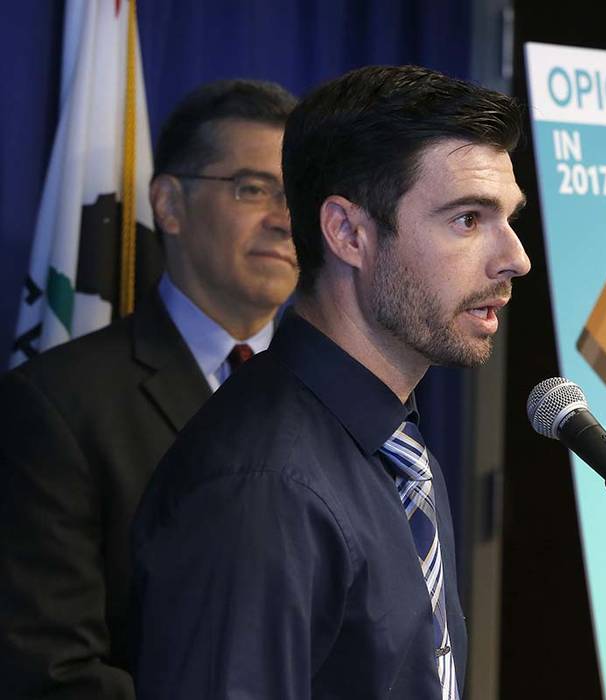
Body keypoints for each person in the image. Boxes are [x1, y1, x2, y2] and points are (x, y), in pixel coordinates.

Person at [131, 65, 530, 699]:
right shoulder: (263, 489)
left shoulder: (393, 445)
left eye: (508, 218)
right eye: (467, 219)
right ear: (347, 232)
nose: (515, 257)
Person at [0, 79, 298, 698]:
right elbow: (51, 674)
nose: (284, 218)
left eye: (299, 192)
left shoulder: (337, 395)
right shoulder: (58, 405)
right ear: (169, 204)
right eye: (252, 188)